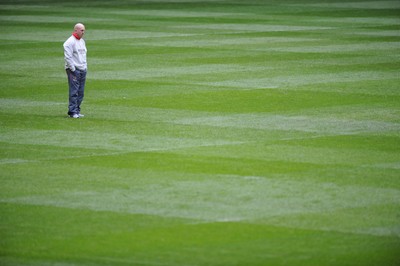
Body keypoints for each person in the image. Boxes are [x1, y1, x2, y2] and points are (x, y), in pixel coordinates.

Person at [63, 23, 87, 118]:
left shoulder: (82, 41)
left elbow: (83, 55)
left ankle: (77, 110)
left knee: (81, 92)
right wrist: (73, 69)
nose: (83, 32)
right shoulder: (69, 42)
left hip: (82, 69)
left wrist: (85, 67)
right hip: (74, 70)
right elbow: (68, 57)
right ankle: (72, 112)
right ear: (76, 30)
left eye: (84, 30)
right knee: (74, 91)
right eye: (81, 30)